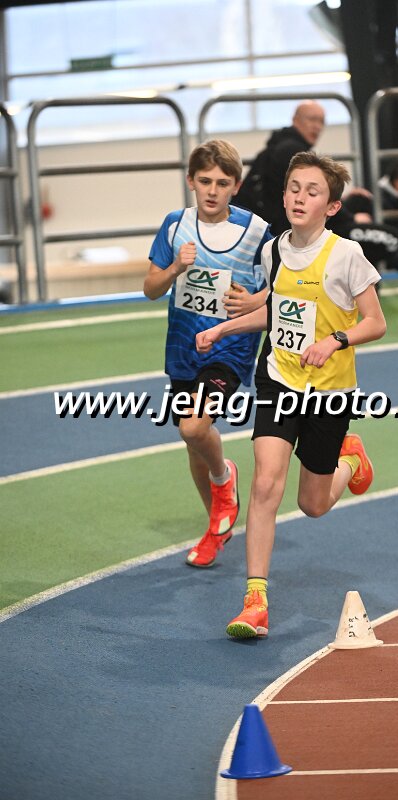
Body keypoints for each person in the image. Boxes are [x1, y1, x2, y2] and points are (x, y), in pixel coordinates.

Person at [197, 152, 387, 639]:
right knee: (265, 484)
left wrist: (335, 340)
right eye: (294, 188)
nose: (300, 198)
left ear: (332, 207)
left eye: (313, 191)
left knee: (313, 505)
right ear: (283, 196)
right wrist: (224, 329)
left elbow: (375, 322)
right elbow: (278, 311)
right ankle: (255, 601)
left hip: (329, 391)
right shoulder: (274, 251)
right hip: (278, 378)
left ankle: (351, 460)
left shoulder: (346, 255)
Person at [144, 139, 271, 569]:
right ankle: (215, 526)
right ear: (190, 181)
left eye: (222, 182)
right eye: (205, 181)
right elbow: (150, 289)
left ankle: (224, 477)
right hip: (184, 345)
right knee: (193, 443)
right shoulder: (175, 225)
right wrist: (175, 268)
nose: (212, 191)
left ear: (236, 186)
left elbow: (283, 285)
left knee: (194, 426)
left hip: (229, 347)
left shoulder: (256, 232)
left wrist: (253, 301)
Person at [233, 100, 326, 235]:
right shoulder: (293, 153)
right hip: (269, 231)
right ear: (295, 120)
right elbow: (317, 197)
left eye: (321, 121)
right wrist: (350, 219)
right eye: (312, 119)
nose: (317, 126)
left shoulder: (275, 147)